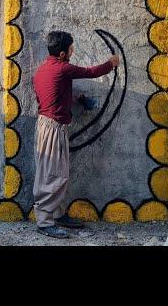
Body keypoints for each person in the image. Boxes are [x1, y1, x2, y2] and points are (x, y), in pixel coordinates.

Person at [32, 31, 119, 239]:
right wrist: (111, 63)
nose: (73, 52)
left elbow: (53, 96)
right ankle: (44, 222)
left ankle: (58, 214)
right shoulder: (63, 68)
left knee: (59, 173)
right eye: (71, 49)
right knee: (52, 175)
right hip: (52, 128)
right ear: (62, 54)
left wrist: (77, 98)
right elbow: (91, 72)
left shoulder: (44, 69)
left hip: (49, 126)